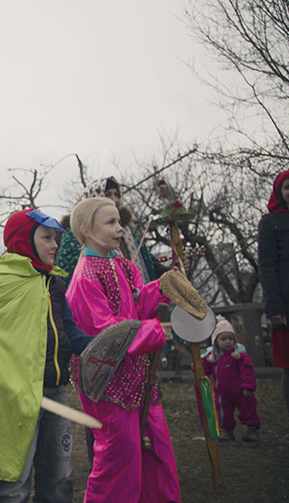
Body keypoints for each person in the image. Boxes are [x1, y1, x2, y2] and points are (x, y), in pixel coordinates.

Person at [0, 209, 94, 503]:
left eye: (55, 239)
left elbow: (68, 329)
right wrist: (5, 377)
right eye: (46, 238)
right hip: (16, 392)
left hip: (55, 391)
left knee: (59, 477)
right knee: (13, 483)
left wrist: (98, 346)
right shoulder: (0, 280)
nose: (54, 245)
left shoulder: (54, 282)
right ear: (24, 239)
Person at [65, 197, 180, 503]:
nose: (119, 228)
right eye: (110, 222)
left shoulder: (124, 266)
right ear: (86, 229)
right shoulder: (85, 276)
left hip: (138, 373)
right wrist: (155, 331)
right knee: (119, 454)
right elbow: (106, 330)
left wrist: (163, 287)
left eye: (119, 221)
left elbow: (135, 302)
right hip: (108, 380)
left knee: (156, 445)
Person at [55, 177, 161, 285]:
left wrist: (163, 273)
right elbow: (66, 275)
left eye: (116, 195)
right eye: (108, 194)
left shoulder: (126, 231)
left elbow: (148, 259)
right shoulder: (76, 233)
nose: (114, 200)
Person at [257, 169, 289, 447]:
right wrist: (274, 307)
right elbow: (267, 267)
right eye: (288, 187)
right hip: (288, 306)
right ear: (280, 193)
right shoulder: (271, 223)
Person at [201, 316, 260, 442]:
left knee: (248, 408)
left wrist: (248, 387)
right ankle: (227, 432)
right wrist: (198, 364)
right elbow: (204, 370)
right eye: (223, 339)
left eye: (230, 339)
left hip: (240, 391)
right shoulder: (213, 358)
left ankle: (252, 430)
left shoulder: (238, 356)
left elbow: (247, 371)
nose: (228, 342)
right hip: (221, 393)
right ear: (216, 342)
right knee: (223, 413)